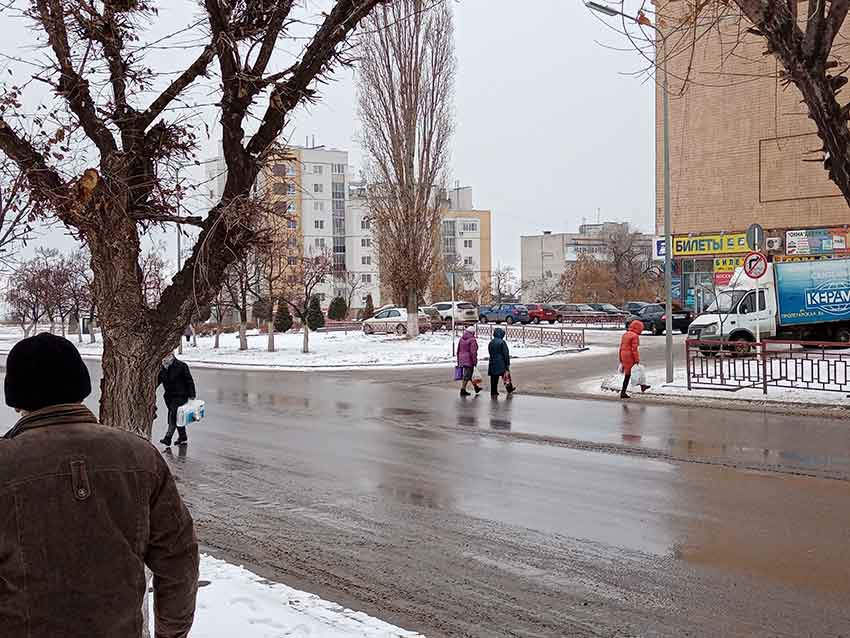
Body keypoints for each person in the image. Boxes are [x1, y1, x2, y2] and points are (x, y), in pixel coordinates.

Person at [0, 333, 199, 637]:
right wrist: (171, 633)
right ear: (81, 389)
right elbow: (178, 558)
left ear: (16, 401)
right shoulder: (140, 455)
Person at [158, 353, 197, 447]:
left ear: (171, 355)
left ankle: (168, 438)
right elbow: (158, 380)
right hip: (169, 397)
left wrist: (192, 395)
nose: (165, 357)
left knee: (173, 415)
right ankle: (183, 437)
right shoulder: (162, 367)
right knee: (178, 416)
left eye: (168, 355)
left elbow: (189, 380)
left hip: (181, 395)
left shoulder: (181, 366)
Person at [619, 320, 650, 399]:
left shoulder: (625, 334)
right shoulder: (635, 336)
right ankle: (623, 392)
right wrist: (636, 359)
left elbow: (621, 347)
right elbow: (634, 350)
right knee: (630, 373)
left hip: (623, 354)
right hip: (630, 356)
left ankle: (642, 386)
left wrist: (620, 358)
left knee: (634, 371)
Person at [488, 327, 514, 397]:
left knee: (494, 377)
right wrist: (507, 363)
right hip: (501, 361)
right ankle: (509, 389)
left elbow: (490, 351)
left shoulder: (491, 342)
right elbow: (505, 354)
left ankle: (493, 391)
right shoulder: (502, 342)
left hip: (492, 361)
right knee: (505, 375)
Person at [457, 326, 483, 397]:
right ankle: (463, 389)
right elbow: (473, 352)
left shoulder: (461, 339)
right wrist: (474, 361)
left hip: (462, 359)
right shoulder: (472, 340)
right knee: (467, 375)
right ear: (473, 332)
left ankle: (476, 387)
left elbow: (458, 350)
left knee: (470, 374)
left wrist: (458, 360)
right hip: (469, 359)